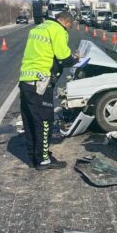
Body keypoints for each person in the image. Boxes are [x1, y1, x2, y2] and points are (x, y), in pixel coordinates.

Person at [18, 11, 76, 170]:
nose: (68, 30)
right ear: (66, 22)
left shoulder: (38, 28)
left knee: (30, 121)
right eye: (69, 26)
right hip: (40, 82)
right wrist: (76, 60)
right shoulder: (58, 30)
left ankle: (33, 157)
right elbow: (64, 57)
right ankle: (43, 159)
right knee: (44, 120)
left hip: (25, 80)